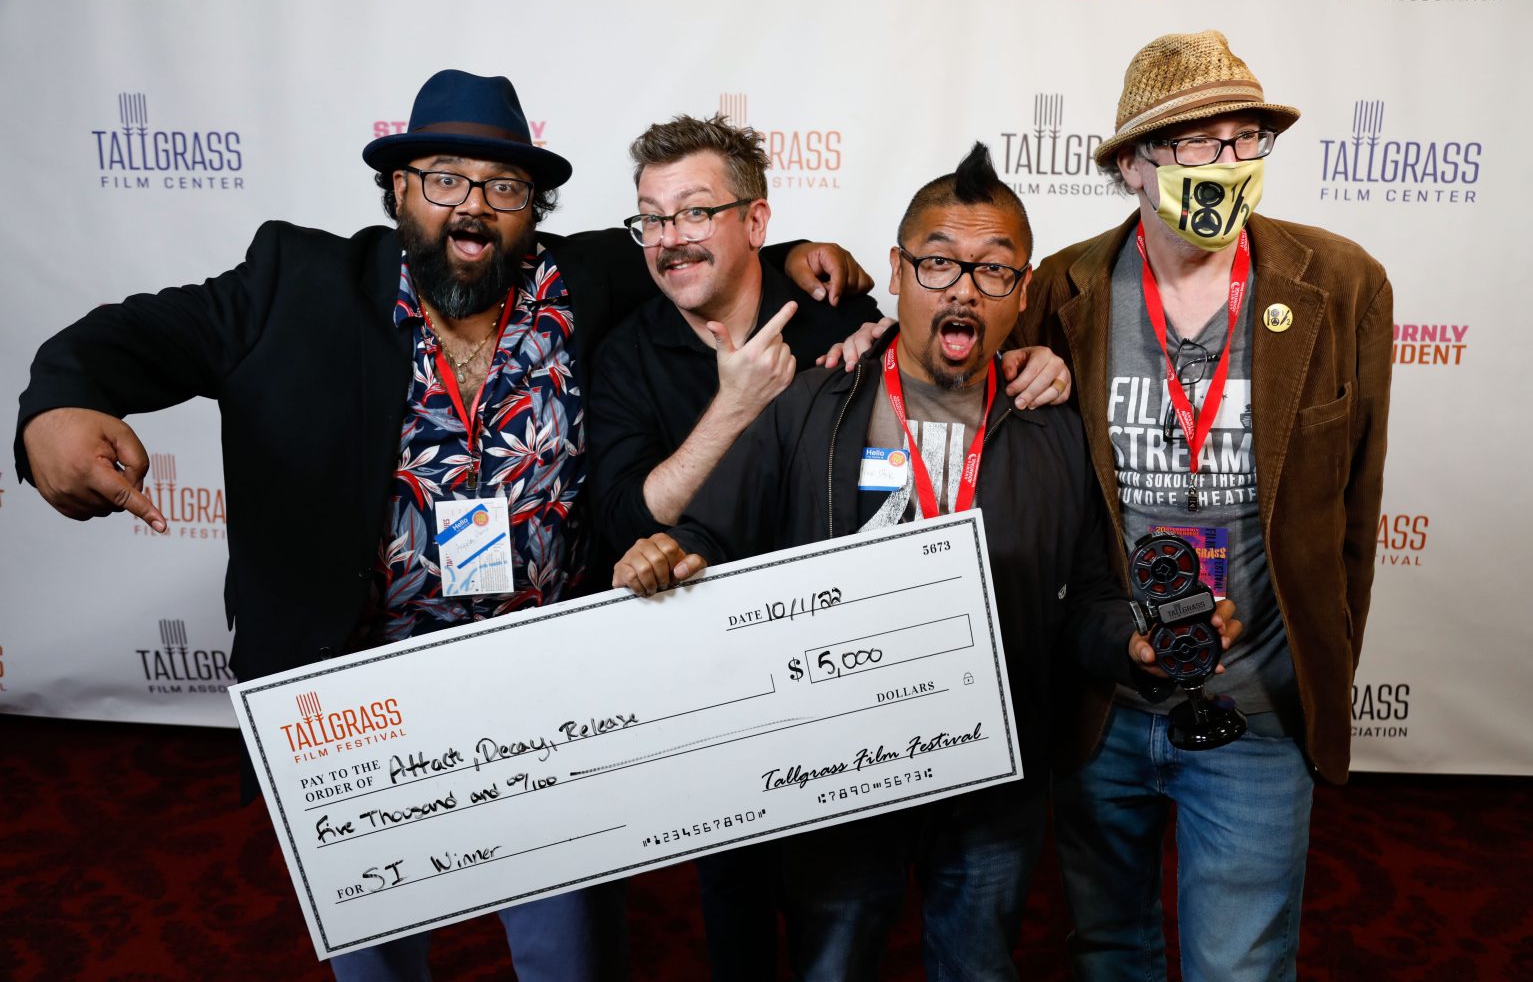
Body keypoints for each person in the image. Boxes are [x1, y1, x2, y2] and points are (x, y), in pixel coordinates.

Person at [13, 69, 871, 982]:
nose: (473, 208)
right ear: (397, 190)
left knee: (572, 959)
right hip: (356, 700)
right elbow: (129, 339)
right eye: (445, 178)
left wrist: (817, 255)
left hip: (547, 690)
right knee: (378, 962)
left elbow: (706, 249)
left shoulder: (579, 278)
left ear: (532, 209)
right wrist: (55, 408)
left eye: (504, 189)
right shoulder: (295, 281)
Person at [613, 143, 1237, 982]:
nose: (962, 290)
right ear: (899, 274)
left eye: (993, 271)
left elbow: (1087, 597)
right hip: (836, 775)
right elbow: (716, 541)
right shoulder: (810, 406)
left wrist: (1136, 644)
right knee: (829, 967)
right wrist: (667, 554)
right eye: (938, 264)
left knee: (977, 966)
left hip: (992, 782)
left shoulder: (1053, 428)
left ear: (1021, 294)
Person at [1005, 31, 1393, 982]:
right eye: (1196, 142)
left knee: (1241, 968)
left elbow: (1356, 508)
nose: (1227, 163)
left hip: (1258, 709)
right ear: (1134, 164)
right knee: (1107, 952)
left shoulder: (1341, 286)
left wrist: (1320, 671)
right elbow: (958, 367)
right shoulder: (1066, 288)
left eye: (1245, 139)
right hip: (1105, 705)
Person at [586, 114, 883, 981]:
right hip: (708, 693)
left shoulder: (843, 318)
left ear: (755, 223)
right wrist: (736, 406)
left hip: (840, 671)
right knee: (737, 919)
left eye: (694, 212)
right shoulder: (627, 353)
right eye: (653, 218)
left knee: (845, 914)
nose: (671, 239)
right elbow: (624, 515)